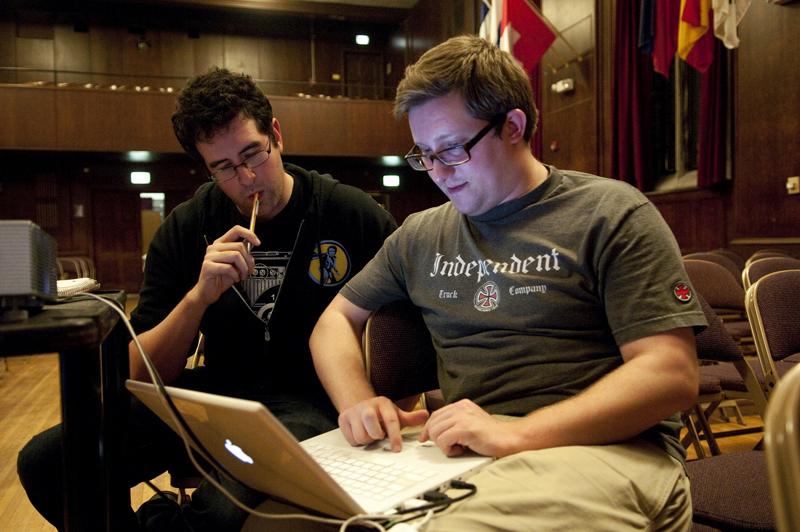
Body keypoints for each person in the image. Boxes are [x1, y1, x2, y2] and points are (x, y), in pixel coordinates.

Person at [310, 35, 705, 531]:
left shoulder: (611, 212)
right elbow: (333, 321)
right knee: (281, 510)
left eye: (452, 149)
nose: (437, 173)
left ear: (513, 126)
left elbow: (670, 375)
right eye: (424, 155)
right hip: (464, 451)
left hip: (607, 450)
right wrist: (356, 402)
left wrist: (517, 435)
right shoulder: (421, 234)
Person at [17, 67, 396, 531]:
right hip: (212, 400)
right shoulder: (186, 224)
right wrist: (198, 298)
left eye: (253, 153)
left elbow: (403, 322)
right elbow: (139, 372)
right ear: (206, 167)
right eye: (224, 168)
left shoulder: (348, 213)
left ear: (275, 134)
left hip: (310, 405)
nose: (246, 177)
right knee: (47, 464)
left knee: (221, 511)